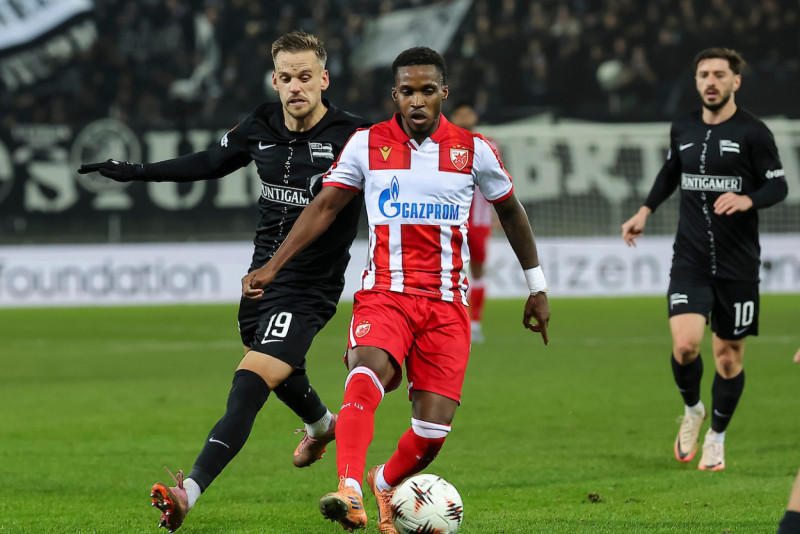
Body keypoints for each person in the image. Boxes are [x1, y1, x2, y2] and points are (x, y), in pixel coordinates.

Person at [241, 46, 551, 533]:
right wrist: (274, 266)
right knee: (365, 372)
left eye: (427, 91)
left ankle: (383, 483)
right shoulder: (367, 144)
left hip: (446, 305)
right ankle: (349, 488)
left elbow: (511, 211)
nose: (417, 101)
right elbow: (324, 207)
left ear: (443, 92)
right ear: (395, 95)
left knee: (432, 434)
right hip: (385, 294)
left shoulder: (473, 150)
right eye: (407, 91)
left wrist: (537, 287)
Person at [78, 31, 370, 532]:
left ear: (324, 80)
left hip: (309, 285)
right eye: (286, 77)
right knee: (278, 366)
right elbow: (208, 163)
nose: (295, 87)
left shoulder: (356, 135)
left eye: (305, 77)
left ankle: (187, 492)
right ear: (274, 80)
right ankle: (323, 425)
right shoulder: (260, 123)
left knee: (250, 381)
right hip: (260, 280)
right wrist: (136, 171)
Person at [621, 48, 788, 472]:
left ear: (736, 81)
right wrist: (645, 210)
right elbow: (670, 172)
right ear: (696, 82)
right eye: (703, 75)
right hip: (691, 259)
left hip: (738, 265)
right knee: (685, 346)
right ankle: (693, 409)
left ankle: (717, 436)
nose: (710, 82)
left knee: (728, 358)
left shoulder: (754, 132)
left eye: (719, 74)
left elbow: (779, 185)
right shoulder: (684, 126)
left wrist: (748, 199)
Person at [449, 102, 496, 343]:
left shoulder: (489, 145)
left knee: (477, 268)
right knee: (451, 269)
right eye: (460, 113)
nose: (465, 117)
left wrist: (497, 214)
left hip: (479, 221)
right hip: (451, 218)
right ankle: (457, 322)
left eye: (468, 112)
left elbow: (498, 184)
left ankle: (475, 323)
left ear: (475, 116)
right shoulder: (442, 144)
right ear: (453, 116)